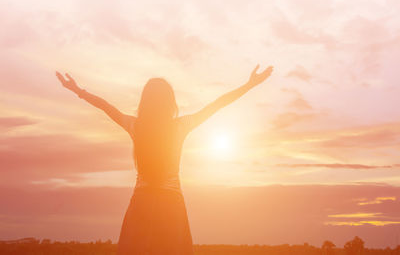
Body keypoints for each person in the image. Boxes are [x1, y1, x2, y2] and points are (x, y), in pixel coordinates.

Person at [56, 64, 273, 255]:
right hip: (171, 206)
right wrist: (249, 85)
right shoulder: (179, 127)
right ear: (170, 102)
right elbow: (217, 105)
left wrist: (77, 90)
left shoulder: (136, 126)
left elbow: (106, 106)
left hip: (141, 203)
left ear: (145, 101)